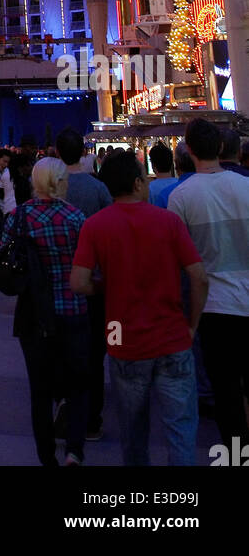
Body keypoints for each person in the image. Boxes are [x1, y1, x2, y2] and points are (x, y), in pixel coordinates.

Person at [70, 149, 207, 466]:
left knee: (133, 432)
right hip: (172, 334)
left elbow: (78, 283)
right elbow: (199, 277)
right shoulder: (168, 221)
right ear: (135, 183)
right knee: (181, 430)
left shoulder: (95, 226)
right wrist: (192, 325)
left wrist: (105, 287)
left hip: (120, 336)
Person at [1, 158, 89, 466]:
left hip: (34, 314)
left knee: (39, 390)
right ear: (63, 181)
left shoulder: (18, 217)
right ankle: (75, 448)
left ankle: (46, 456)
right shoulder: (76, 217)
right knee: (78, 383)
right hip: (74, 309)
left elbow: (4, 258)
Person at [168, 116, 249, 447]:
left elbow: (179, 264)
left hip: (214, 308)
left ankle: (236, 454)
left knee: (226, 390)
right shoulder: (245, 187)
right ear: (220, 147)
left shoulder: (181, 197)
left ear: (188, 150)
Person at [55, 126, 112, 441]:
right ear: (85, 152)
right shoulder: (98, 188)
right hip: (93, 282)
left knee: (64, 349)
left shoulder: (54, 189)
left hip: (60, 283)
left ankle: (66, 405)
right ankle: (91, 418)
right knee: (94, 352)